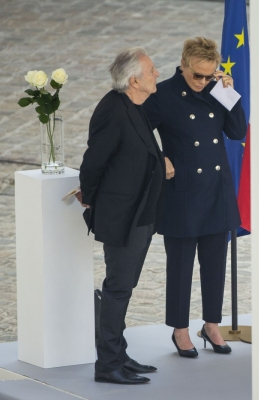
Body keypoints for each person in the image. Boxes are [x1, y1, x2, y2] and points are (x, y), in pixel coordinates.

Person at [143, 37, 247, 357]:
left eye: (208, 75)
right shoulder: (163, 94)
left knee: (215, 264)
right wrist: (160, 157)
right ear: (183, 64)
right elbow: (138, 130)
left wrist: (229, 94)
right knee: (181, 266)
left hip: (216, 189)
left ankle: (211, 325)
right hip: (182, 191)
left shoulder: (218, 90)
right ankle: (180, 329)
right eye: (196, 75)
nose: (202, 82)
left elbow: (238, 132)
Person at [77, 47, 165, 384]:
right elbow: (93, 163)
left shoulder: (134, 104)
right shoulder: (113, 111)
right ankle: (108, 364)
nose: (157, 74)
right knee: (117, 288)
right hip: (122, 217)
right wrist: (94, 202)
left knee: (124, 287)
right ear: (134, 80)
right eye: (152, 70)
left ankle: (119, 354)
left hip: (140, 214)